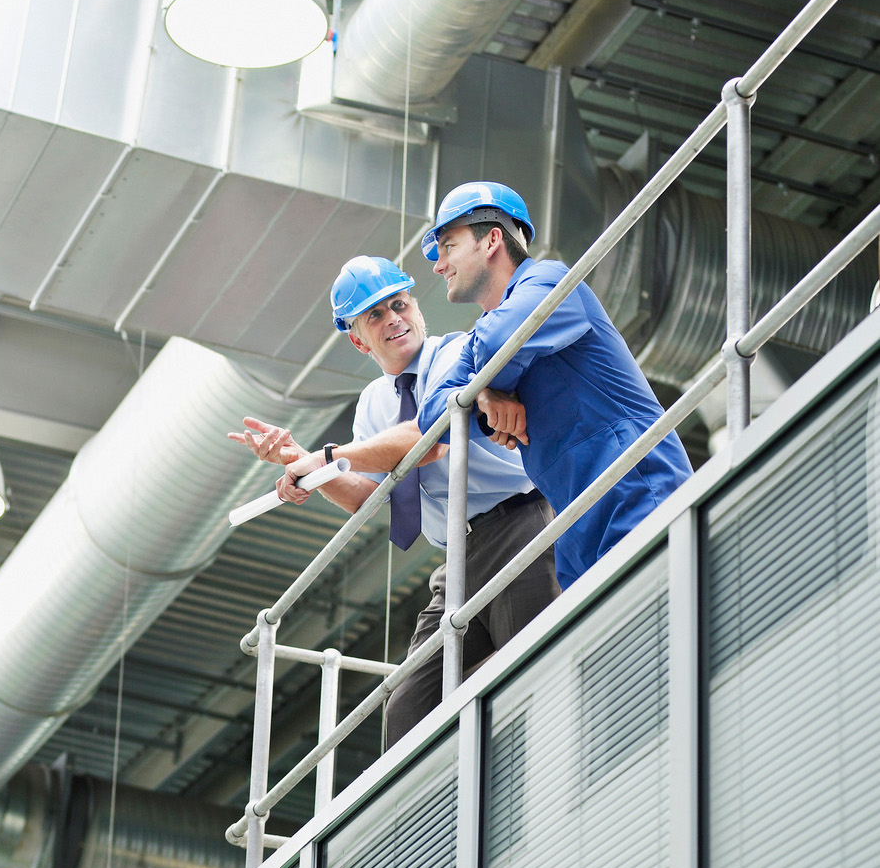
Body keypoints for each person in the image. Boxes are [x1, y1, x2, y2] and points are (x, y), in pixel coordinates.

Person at [230, 255, 560, 747]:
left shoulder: (454, 355)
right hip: (458, 556)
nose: (394, 319)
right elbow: (367, 494)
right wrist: (303, 463)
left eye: (399, 305)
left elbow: (428, 439)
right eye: (376, 316)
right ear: (358, 338)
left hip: (517, 525)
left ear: (418, 310)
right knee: (408, 707)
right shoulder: (373, 404)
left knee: (533, 665)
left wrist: (325, 456)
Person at [416, 181, 692, 591]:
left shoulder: (551, 281)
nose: (439, 265)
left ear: (492, 239)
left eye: (448, 246)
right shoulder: (482, 337)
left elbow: (497, 344)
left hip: (632, 485)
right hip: (574, 523)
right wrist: (487, 393)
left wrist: (482, 387)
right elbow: (432, 417)